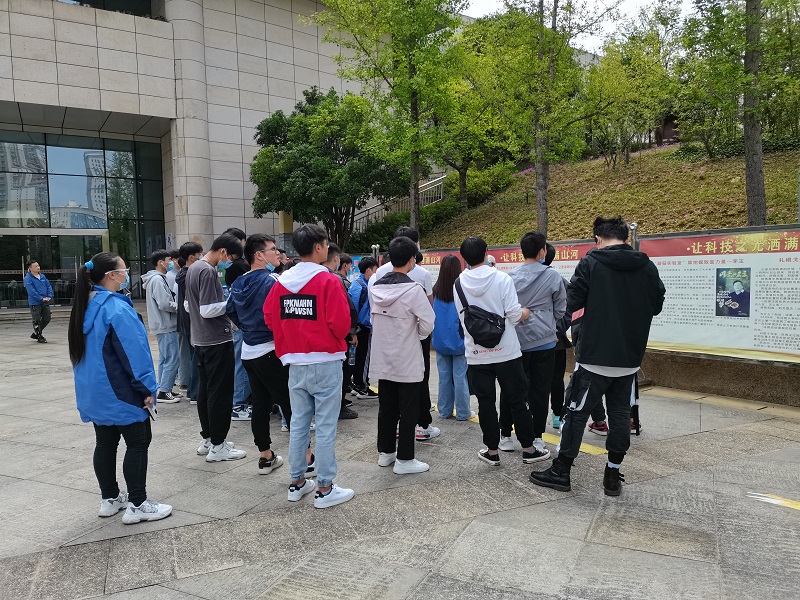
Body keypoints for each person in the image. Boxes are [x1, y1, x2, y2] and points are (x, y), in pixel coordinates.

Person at [530, 216, 665, 496]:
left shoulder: (591, 263)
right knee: (620, 416)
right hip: (629, 359)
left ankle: (562, 470)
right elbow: (657, 305)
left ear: (598, 239)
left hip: (594, 357)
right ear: (625, 238)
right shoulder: (647, 267)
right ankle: (612, 475)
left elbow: (571, 302)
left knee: (576, 413)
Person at [68, 252, 172, 524]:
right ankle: (138, 504)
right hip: (122, 392)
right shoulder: (117, 309)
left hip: (95, 391)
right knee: (138, 442)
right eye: (124, 270)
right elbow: (135, 357)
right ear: (112, 275)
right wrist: (147, 390)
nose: (127, 274)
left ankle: (110, 498)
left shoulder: (85, 305)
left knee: (105, 443)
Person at [264, 224, 355, 508]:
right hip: (325, 360)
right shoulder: (328, 280)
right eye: (326, 244)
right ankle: (325, 488)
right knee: (325, 426)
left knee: (299, 424)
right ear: (318, 247)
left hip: (294, 362)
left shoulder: (281, 282)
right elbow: (341, 324)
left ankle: (297, 482)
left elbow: (269, 317)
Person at [227, 233, 316, 477]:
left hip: (249, 352)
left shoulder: (239, 282)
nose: (277, 253)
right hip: (270, 349)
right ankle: (307, 459)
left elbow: (229, 310)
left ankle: (265, 456)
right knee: (291, 404)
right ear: (259, 255)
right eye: (272, 249)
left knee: (260, 403)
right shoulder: (273, 280)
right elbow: (286, 312)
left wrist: (247, 328)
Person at [455, 236, 541, 466]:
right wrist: (526, 312)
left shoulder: (458, 284)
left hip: (476, 353)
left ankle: (492, 451)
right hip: (507, 351)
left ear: (464, 257)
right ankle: (529, 449)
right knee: (518, 400)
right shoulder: (502, 278)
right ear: (486, 252)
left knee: (485, 403)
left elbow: (463, 317)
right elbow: (514, 314)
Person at [369, 236, 436, 474]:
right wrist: (415, 334)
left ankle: (386, 453)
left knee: (386, 406)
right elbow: (428, 323)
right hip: (407, 357)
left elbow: (373, 319)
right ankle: (405, 459)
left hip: (382, 356)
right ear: (411, 260)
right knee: (408, 408)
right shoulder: (413, 289)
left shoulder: (375, 286)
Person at [499, 232, 566, 461]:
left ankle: (505, 435)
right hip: (544, 341)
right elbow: (561, 309)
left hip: (516, 341)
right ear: (542, 251)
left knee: (511, 388)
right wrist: (547, 319)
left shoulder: (510, 277)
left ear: (522, 251)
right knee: (540, 390)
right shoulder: (553, 276)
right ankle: (537, 437)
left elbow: (507, 308)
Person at [184, 233, 247, 462]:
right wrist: (232, 302)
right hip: (216, 340)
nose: (229, 262)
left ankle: (209, 439)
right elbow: (207, 309)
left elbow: (188, 305)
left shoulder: (193, 268)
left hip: (200, 339)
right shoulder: (208, 271)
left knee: (206, 392)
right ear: (223, 252)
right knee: (220, 393)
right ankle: (219, 445)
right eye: (231, 257)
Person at [432, 254, 474, 421]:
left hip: (440, 341)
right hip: (459, 341)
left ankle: (444, 411)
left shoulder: (435, 291)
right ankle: (463, 412)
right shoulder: (462, 290)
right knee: (460, 377)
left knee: (443, 377)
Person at [323, 242, 359, 420]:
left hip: (313, 343)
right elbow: (346, 310)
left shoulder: (301, 278)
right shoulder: (335, 280)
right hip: (337, 337)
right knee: (342, 373)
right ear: (336, 259)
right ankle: (339, 407)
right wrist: (351, 332)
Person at [141, 250, 182, 404]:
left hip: (162, 324)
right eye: (168, 260)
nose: (171, 263)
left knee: (165, 358)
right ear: (160, 262)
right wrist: (180, 307)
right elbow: (164, 303)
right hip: (166, 324)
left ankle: (166, 387)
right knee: (172, 358)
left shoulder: (157, 278)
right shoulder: (157, 280)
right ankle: (164, 391)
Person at [223, 227, 253, 422]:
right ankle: (238, 404)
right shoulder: (239, 268)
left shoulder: (231, 268)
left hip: (238, 323)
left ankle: (240, 401)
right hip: (242, 324)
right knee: (241, 364)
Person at [543, 243, 572, 429]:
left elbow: (568, 310)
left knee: (552, 379)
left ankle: (556, 413)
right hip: (556, 340)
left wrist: (555, 330)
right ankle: (555, 414)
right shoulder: (560, 280)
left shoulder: (559, 280)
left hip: (545, 340)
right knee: (554, 378)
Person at [175, 242, 203, 404]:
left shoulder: (183, 273)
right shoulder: (190, 274)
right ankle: (195, 393)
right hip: (192, 320)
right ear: (192, 257)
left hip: (186, 321)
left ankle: (193, 391)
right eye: (199, 255)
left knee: (194, 356)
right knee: (197, 358)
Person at [348, 257, 378, 399]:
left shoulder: (355, 283)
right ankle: (363, 387)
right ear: (368, 270)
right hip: (364, 327)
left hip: (356, 327)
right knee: (364, 358)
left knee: (357, 357)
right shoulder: (364, 286)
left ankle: (357, 384)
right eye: (375, 270)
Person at [24, 260, 53, 343]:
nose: (38, 267)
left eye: (38, 265)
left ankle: (36, 333)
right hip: (35, 302)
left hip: (45, 301)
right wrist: (41, 298)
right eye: (35, 266)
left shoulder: (43, 277)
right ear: (30, 268)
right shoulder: (28, 278)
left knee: (47, 318)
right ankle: (39, 336)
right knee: (36, 320)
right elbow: (31, 291)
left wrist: (49, 296)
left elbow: (48, 286)